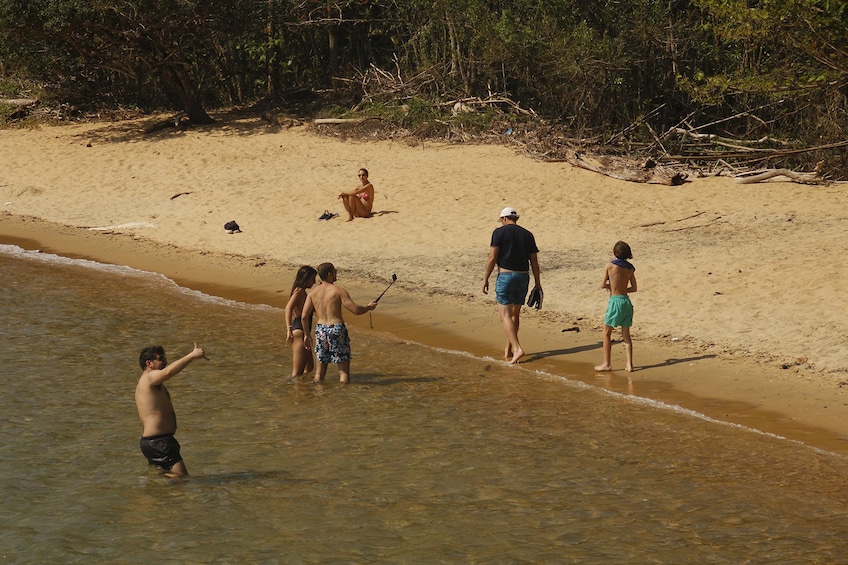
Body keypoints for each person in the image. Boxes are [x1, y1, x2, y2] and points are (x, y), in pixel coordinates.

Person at [135, 343, 207, 476]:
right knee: (182, 479)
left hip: (154, 442)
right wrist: (192, 355)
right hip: (159, 442)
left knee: (163, 478)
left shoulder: (147, 383)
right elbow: (168, 372)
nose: (165, 362)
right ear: (149, 363)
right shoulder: (149, 378)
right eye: (161, 359)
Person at [482, 207, 542, 364]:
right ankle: (508, 349)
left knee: (505, 315)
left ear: (504, 219)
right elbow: (534, 262)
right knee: (515, 315)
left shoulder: (499, 232)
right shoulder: (528, 234)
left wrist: (485, 279)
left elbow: (492, 257)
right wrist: (538, 283)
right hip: (523, 277)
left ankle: (517, 348)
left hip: (506, 276)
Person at [302, 262, 377, 383]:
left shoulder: (312, 293)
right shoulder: (339, 291)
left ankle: (318, 397)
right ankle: (343, 395)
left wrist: (307, 334)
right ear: (330, 274)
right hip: (336, 329)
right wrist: (368, 307)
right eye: (335, 271)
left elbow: (304, 316)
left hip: (320, 329)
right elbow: (356, 310)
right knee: (343, 372)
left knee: (319, 374)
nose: (336, 273)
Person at [594, 241, 638, 372]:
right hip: (626, 301)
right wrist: (622, 289)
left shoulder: (610, 266)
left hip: (615, 301)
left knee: (606, 333)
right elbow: (634, 288)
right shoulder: (630, 268)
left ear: (615, 253)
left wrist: (611, 287)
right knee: (626, 335)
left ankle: (607, 363)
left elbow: (602, 284)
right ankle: (629, 364)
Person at [284, 265, 318, 379]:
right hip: (299, 331)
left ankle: (304, 392)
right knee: (296, 373)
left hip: (304, 332)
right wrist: (289, 329)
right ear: (305, 278)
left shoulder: (303, 292)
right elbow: (288, 308)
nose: (313, 282)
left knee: (309, 368)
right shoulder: (298, 291)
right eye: (312, 279)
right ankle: (293, 391)